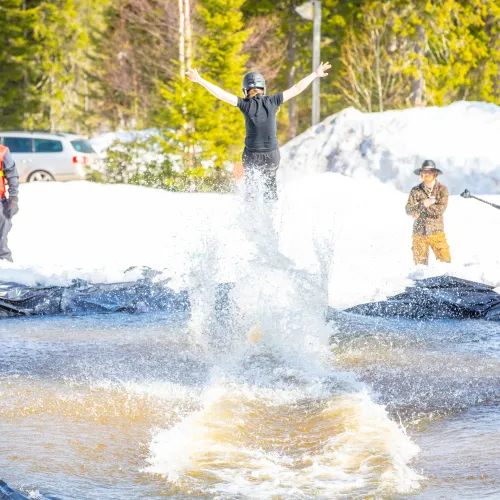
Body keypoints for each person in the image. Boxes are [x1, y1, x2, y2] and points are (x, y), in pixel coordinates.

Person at [186, 62, 331, 201]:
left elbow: (221, 94)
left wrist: (200, 80)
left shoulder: (245, 104)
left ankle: (252, 217)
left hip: (252, 156)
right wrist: (315, 74)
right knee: (270, 190)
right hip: (272, 156)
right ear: (263, 88)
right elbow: (296, 89)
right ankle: (269, 218)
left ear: (245, 90)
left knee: (251, 190)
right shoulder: (273, 101)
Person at [406, 159, 451, 266]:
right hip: (419, 232)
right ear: (421, 174)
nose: (426, 174)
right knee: (420, 267)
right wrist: (424, 203)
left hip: (436, 232)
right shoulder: (415, 190)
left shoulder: (442, 190)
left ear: (435, 174)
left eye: (429, 172)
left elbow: (440, 210)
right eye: (424, 172)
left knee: (446, 262)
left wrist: (419, 208)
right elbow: (408, 209)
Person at [0, 144, 20, 262]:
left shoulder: (2, 151)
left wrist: (13, 198)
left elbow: (12, 176)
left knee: (1, 241)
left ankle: (6, 268)